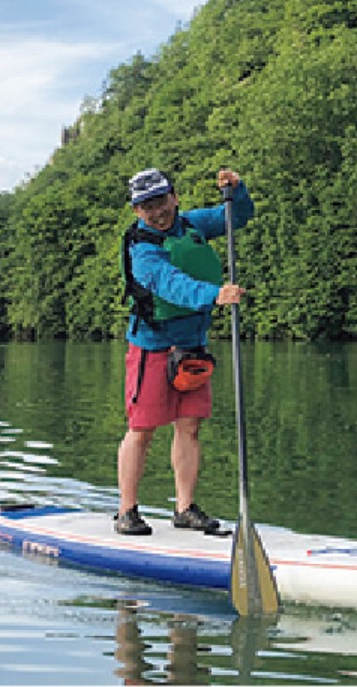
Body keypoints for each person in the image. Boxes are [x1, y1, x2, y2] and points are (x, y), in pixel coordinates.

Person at [116, 166, 254, 536]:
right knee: (142, 429)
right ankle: (127, 510)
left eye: (161, 202)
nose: (157, 212)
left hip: (192, 345)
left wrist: (236, 191)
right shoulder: (141, 247)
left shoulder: (192, 224)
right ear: (137, 212)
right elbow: (169, 284)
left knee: (190, 426)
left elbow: (235, 217)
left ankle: (185, 508)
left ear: (174, 198)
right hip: (153, 345)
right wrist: (214, 295)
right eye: (147, 207)